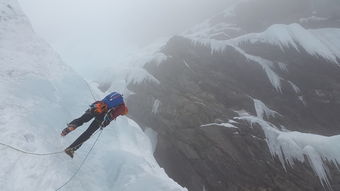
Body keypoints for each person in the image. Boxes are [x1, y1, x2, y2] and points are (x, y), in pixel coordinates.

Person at [61, 92, 128, 158]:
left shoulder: (114, 94)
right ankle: (71, 148)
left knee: (82, 119)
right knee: (88, 132)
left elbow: (104, 101)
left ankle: (71, 126)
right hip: (102, 115)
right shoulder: (122, 107)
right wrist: (104, 124)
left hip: (96, 106)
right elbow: (111, 116)